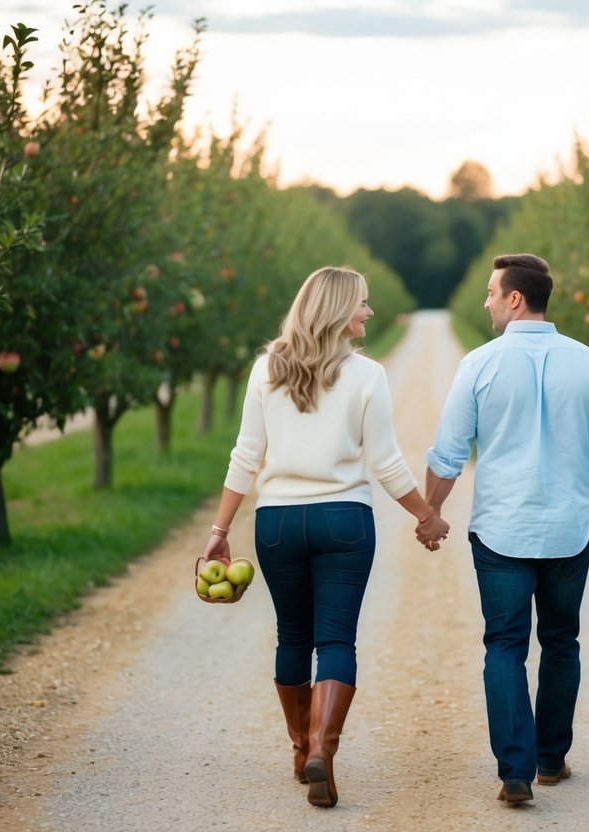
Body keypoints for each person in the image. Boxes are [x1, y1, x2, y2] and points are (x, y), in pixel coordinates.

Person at [201, 266, 448, 809]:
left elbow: (246, 455)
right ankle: (321, 749)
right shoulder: (366, 375)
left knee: (293, 637)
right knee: (335, 640)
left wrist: (220, 531)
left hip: (278, 522)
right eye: (363, 303)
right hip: (344, 519)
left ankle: (299, 749)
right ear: (339, 311)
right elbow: (384, 462)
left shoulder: (267, 369)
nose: (369, 312)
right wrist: (425, 515)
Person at [420, 253, 589, 805]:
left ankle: (515, 772)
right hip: (568, 529)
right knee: (561, 641)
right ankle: (550, 760)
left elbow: (448, 454)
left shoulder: (479, 365)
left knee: (503, 643)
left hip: (500, 529)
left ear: (515, 299)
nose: (486, 302)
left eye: (492, 293)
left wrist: (430, 515)